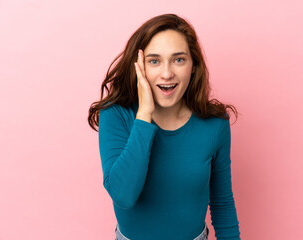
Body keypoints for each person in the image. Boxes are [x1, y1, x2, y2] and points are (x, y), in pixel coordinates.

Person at [88, 13, 241, 240]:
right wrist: (144, 116)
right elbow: (123, 195)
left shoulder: (215, 125)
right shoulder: (116, 115)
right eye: (154, 61)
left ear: (194, 66)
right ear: (138, 67)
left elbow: (222, 202)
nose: (167, 73)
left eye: (178, 59)